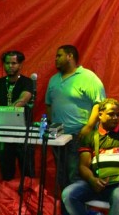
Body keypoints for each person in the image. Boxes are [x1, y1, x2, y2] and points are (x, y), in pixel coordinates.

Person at [44, 44, 106, 191]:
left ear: (70, 56)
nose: (55, 59)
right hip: (57, 135)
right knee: (61, 175)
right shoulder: (53, 80)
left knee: (75, 174)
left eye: (59, 55)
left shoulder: (88, 77)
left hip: (78, 135)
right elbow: (49, 104)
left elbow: (99, 104)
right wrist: (51, 125)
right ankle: (65, 204)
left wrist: (88, 127)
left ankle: (76, 203)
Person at [0, 50, 35, 180]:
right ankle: (8, 193)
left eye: (14, 63)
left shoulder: (27, 82)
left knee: (27, 173)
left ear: (20, 65)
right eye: (7, 63)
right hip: (4, 132)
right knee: (6, 172)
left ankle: (27, 193)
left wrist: (3, 112)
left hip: (24, 132)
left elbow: (23, 100)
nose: (10, 66)